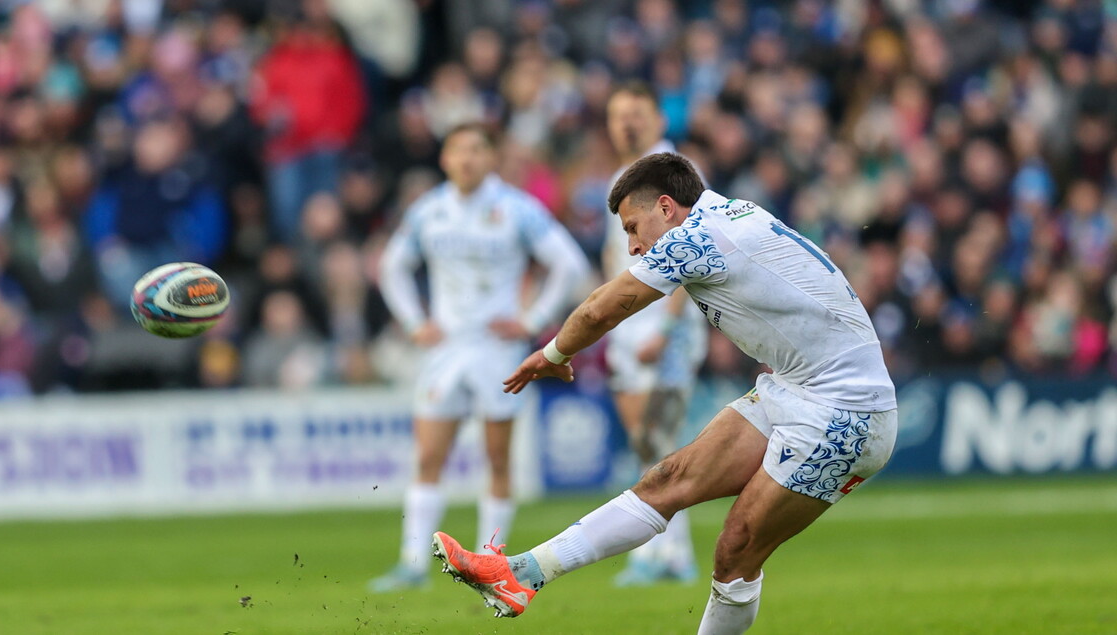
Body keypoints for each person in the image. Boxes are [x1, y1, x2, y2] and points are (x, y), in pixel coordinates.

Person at [431, 153, 898, 633]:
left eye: (634, 228)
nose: (633, 246)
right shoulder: (729, 214)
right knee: (667, 478)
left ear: (668, 208)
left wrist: (552, 354)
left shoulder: (698, 237)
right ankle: (520, 574)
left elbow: (599, 311)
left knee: (735, 548)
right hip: (797, 386)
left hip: (847, 413)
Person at [370, 122, 588, 591]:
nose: (465, 159)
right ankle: (412, 563)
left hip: (497, 348)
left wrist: (532, 321)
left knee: (497, 458)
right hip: (446, 348)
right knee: (429, 455)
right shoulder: (429, 211)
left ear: (490, 158)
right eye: (456, 151)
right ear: (444, 159)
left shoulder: (516, 209)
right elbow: (391, 267)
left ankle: (491, 560)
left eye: (475, 150)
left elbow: (568, 263)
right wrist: (414, 322)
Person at [602, 81, 707, 585]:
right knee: (649, 447)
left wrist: (667, 326)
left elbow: (694, 253)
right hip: (628, 330)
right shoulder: (620, 177)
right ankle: (666, 553)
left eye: (636, 112)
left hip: (667, 327)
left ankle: (662, 555)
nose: (626, 123)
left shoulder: (672, 175)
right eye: (617, 114)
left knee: (659, 443)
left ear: (656, 118)